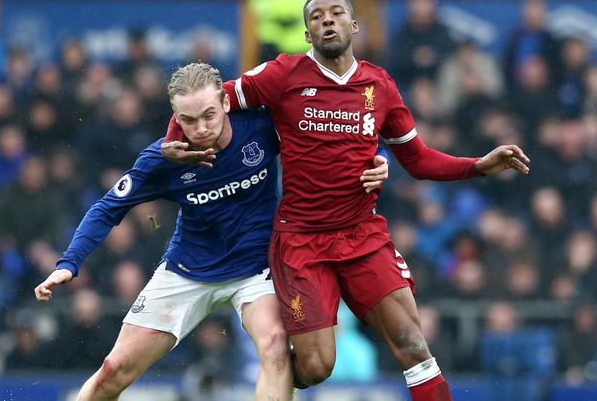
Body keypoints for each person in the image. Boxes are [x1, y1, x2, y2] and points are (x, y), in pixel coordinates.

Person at [162, 0, 530, 400]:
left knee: (412, 344)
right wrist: (172, 141)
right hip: (302, 240)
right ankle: (274, 365)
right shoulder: (283, 74)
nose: (328, 20)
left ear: (354, 26)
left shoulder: (380, 85)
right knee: (317, 367)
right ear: (307, 33)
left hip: (361, 235)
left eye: (337, 13)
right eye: (317, 17)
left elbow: (419, 160)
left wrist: (478, 164)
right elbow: (208, 101)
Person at [34, 62, 391, 401]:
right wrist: (69, 262)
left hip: (258, 268)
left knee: (276, 347)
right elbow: (107, 208)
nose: (201, 128)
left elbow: (328, 139)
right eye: (189, 120)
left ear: (225, 101)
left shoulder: (261, 126)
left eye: (209, 115)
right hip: (189, 269)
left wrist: (375, 161)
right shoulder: (164, 158)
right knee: (115, 371)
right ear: (176, 118)